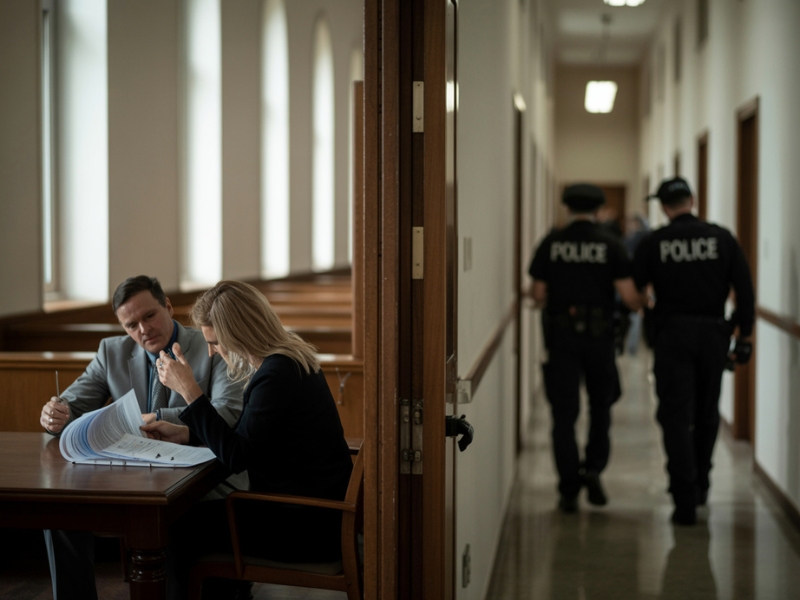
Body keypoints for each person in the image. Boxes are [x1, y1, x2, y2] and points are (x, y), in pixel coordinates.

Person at [141, 280, 354, 600]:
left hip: (302, 525)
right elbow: (247, 436)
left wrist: (190, 391)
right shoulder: (287, 359)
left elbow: (236, 456)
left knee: (177, 526)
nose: (211, 351)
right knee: (193, 521)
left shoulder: (275, 373)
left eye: (214, 341)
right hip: (315, 514)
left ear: (238, 333)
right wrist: (186, 432)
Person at [39, 275, 246, 600]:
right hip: (133, 477)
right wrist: (55, 413)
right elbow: (72, 402)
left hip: (198, 478)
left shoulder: (210, 343)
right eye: (131, 325)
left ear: (167, 306)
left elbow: (227, 413)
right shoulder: (111, 351)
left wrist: (155, 419)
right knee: (59, 516)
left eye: (149, 316)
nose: (143, 330)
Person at [633, 176, 755, 526]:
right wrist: (744, 337)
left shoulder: (655, 241)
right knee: (706, 412)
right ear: (694, 200)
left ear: (663, 207)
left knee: (674, 416)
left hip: (672, 334)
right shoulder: (721, 238)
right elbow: (744, 290)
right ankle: (702, 482)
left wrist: (650, 308)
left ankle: (683, 497)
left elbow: (635, 287)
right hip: (714, 333)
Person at [529, 184, 641, 513]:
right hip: (600, 338)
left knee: (563, 415)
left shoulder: (552, 243)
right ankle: (593, 469)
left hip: (562, 339)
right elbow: (630, 297)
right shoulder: (611, 244)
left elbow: (537, 294)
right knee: (600, 406)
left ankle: (567, 487)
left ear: (566, 208)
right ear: (597, 209)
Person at [623, 214, 650, 355]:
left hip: (634, 285)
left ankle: (632, 348)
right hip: (639, 286)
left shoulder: (634, 240)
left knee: (635, 317)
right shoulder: (645, 238)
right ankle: (633, 348)